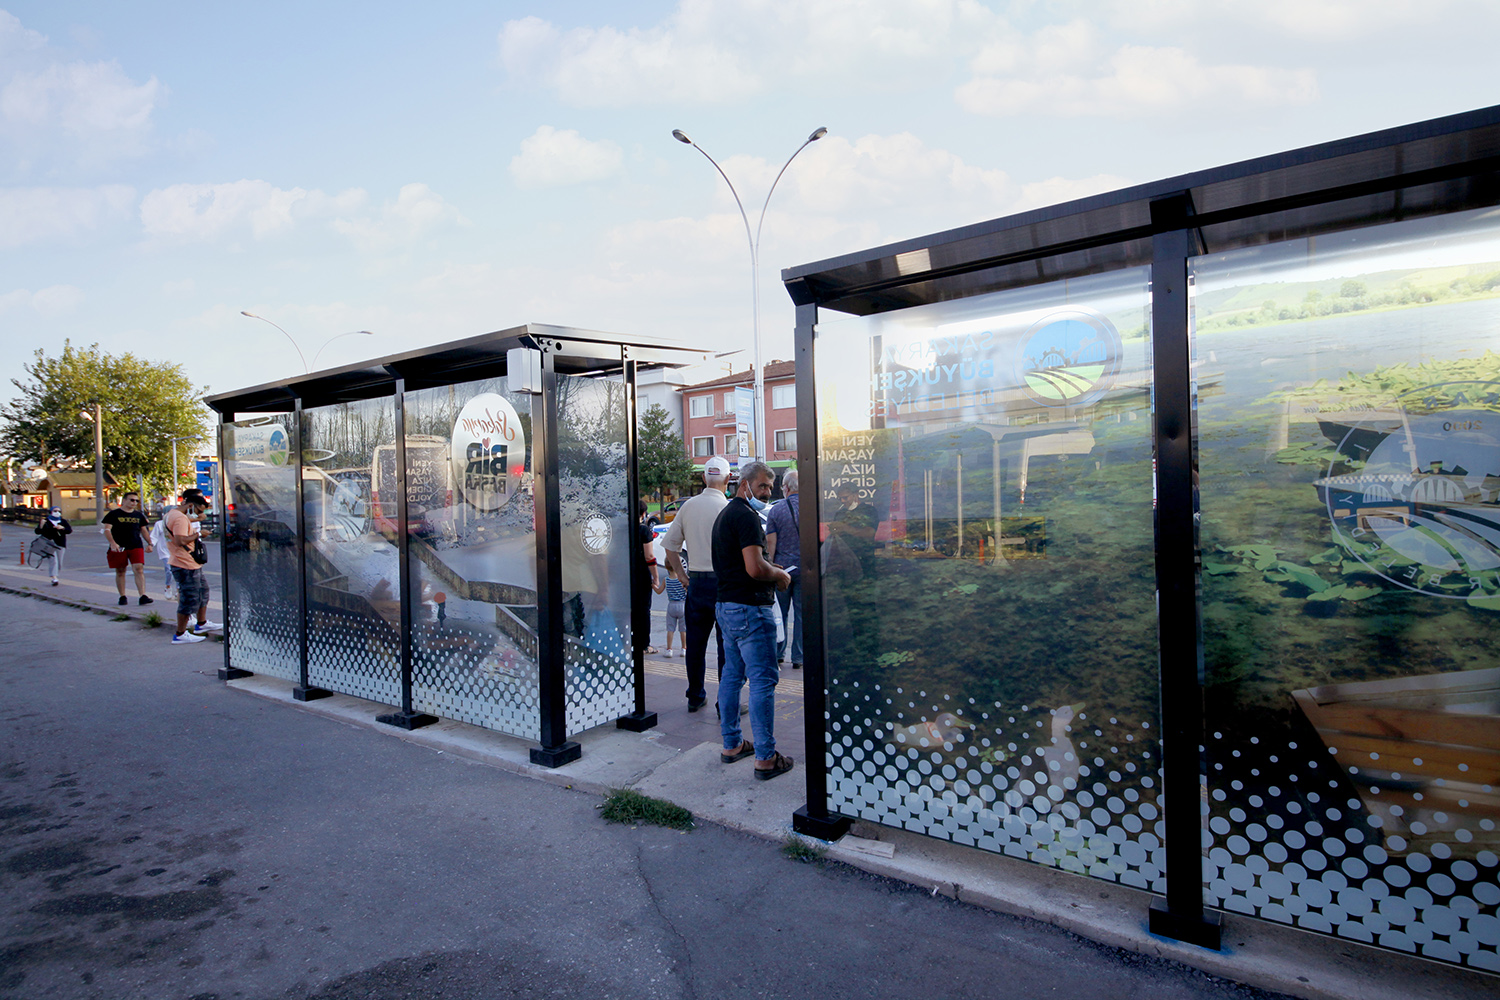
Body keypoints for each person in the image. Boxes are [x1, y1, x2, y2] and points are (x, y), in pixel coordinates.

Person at [711, 460, 793, 780]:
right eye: (762, 486)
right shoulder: (745, 517)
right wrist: (780, 575)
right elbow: (756, 568)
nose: (767, 492)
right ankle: (765, 757)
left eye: (770, 487)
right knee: (762, 681)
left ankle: (732, 744)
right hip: (749, 608)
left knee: (732, 676)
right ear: (744, 485)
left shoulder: (725, 515)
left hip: (727, 607)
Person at [662, 456, 730, 711]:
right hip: (724, 585)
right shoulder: (729, 509)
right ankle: (725, 700)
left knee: (696, 644)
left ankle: (695, 695)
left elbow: (670, 547)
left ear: (703, 478)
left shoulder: (688, 506)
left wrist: (681, 575)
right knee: (726, 647)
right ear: (727, 479)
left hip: (697, 583)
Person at [165, 489, 221, 644]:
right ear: (190, 505)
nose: (198, 514)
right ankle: (180, 634)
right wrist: (199, 534)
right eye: (197, 510)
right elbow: (180, 540)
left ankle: (201, 624)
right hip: (184, 563)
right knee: (189, 598)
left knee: (203, 592)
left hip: (189, 562)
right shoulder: (179, 519)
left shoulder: (172, 514)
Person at [764, 469, 802, 670]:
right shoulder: (811, 508)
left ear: (786, 488)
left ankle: (779, 653)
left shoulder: (776, 511)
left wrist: (769, 568)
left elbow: (771, 544)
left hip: (782, 570)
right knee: (802, 615)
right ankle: (799, 658)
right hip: (807, 569)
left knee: (780, 614)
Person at [102, 492, 154, 606]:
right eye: (131, 500)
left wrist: (150, 543)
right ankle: (122, 596)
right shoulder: (114, 514)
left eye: (136, 501)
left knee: (138, 568)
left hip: (135, 544)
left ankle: (142, 595)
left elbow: (144, 530)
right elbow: (107, 530)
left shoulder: (139, 515)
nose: (134, 503)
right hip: (119, 546)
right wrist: (112, 543)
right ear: (124, 501)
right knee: (121, 570)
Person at [637, 500, 665, 655]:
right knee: (643, 610)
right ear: (643, 514)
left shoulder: (623, 528)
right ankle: (644, 645)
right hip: (641, 574)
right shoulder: (644, 531)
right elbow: (649, 556)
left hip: (625, 574)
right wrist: (655, 576)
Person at [830, 483, 878, 573]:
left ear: (856, 495)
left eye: (845, 497)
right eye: (840, 499)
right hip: (845, 561)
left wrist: (845, 527)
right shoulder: (840, 513)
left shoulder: (869, 510)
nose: (843, 501)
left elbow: (869, 533)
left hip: (865, 559)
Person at [33, 507, 71, 586]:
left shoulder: (63, 521)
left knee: (60, 562)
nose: (57, 512)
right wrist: (41, 525)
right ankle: (54, 578)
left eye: (59, 511)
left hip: (60, 544)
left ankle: (56, 575)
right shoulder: (46, 521)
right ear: (51, 512)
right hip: (49, 544)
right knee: (53, 560)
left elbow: (69, 530)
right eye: (55, 511)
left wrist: (62, 528)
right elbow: (38, 532)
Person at [662, 551, 688, 657]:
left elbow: (659, 591)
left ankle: (669, 649)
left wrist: (653, 586)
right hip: (682, 605)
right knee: (683, 629)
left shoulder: (666, 580)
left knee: (670, 629)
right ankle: (683, 649)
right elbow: (687, 591)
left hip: (671, 605)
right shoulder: (682, 580)